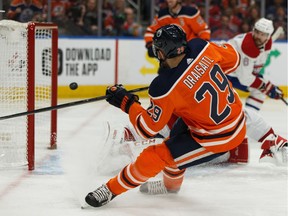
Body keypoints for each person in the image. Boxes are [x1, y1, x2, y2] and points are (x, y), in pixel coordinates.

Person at [85, 24, 247, 207]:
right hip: (233, 118)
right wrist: (201, 72)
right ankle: (171, 187)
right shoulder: (201, 46)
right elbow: (234, 59)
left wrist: (126, 102)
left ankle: (110, 189)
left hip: (219, 136)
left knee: (156, 156)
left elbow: (146, 128)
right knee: (174, 141)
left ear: (161, 53)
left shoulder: (164, 86)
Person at [226, 18, 284, 111]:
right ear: (253, 30)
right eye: (257, 32)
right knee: (259, 91)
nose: (258, 36)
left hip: (236, 71)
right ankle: (249, 121)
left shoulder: (265, 42)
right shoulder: (247, 46)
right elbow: (245, 79)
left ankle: (249, 120)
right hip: (225, 74)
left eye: (262, 34)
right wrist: (267, 87)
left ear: (268, 36)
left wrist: (266, 86)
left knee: (260, 89)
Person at [144, 0, 210, 58]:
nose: (168, 0)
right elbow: (150, 32)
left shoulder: (190, 13)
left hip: (189, 52)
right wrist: (150, 45)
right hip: (171, 54)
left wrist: (201, 46)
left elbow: (203, 30)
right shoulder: (162, 15)